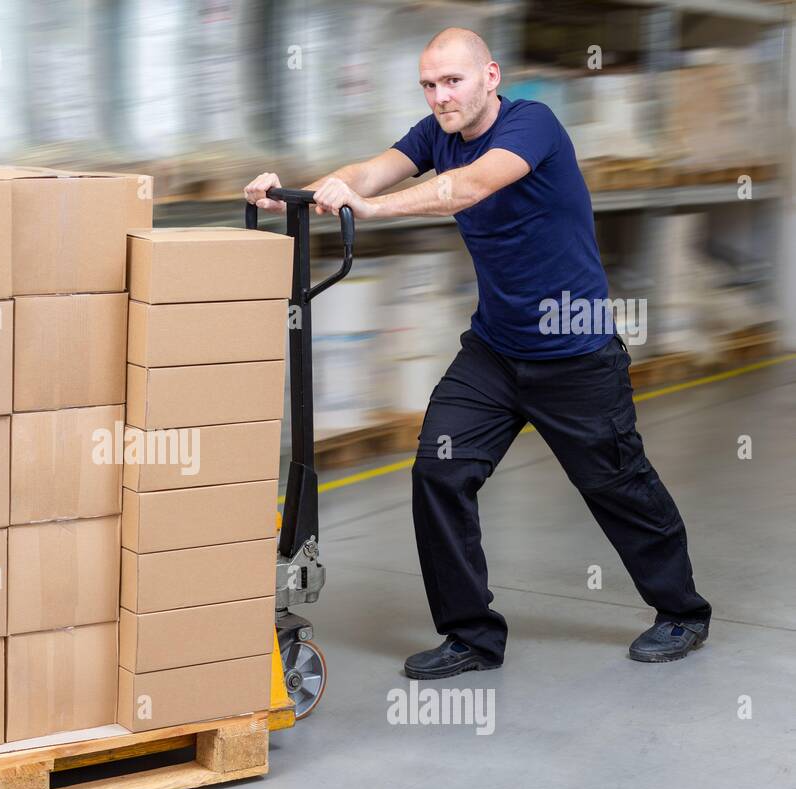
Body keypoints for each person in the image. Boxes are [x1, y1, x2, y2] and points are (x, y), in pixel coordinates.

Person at [244, 27, 711, 679]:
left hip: (574, 352)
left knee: (618, 484)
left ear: (491, 77)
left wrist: (368, 210)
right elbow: (369, 171)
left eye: (452, 81)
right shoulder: (435, 133)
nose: (440, 97)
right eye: (429, 85)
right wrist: (298, 194)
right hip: (494, 351)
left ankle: (683, 611)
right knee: (439, 472)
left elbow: (466, 189)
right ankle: (472, 636)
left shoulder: (532, 125)